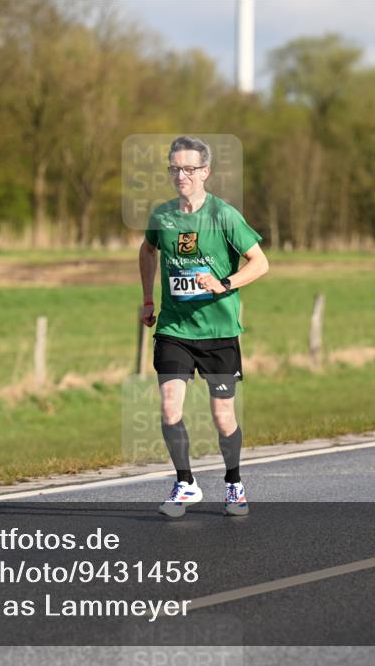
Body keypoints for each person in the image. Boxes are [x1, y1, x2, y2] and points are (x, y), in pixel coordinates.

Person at [139, 136, 269, 518]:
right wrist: (148, 299)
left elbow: (260, 262)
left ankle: (233, 483)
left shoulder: (223, 215)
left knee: (223, 416)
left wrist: (224, 283)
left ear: (205, 172)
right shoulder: (161, 216)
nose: (182, 175)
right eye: (175, 168)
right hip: (175, 329)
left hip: (218, 334)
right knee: (168, 408)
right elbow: (147, 252)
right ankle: (186, 483)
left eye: (190, 169)